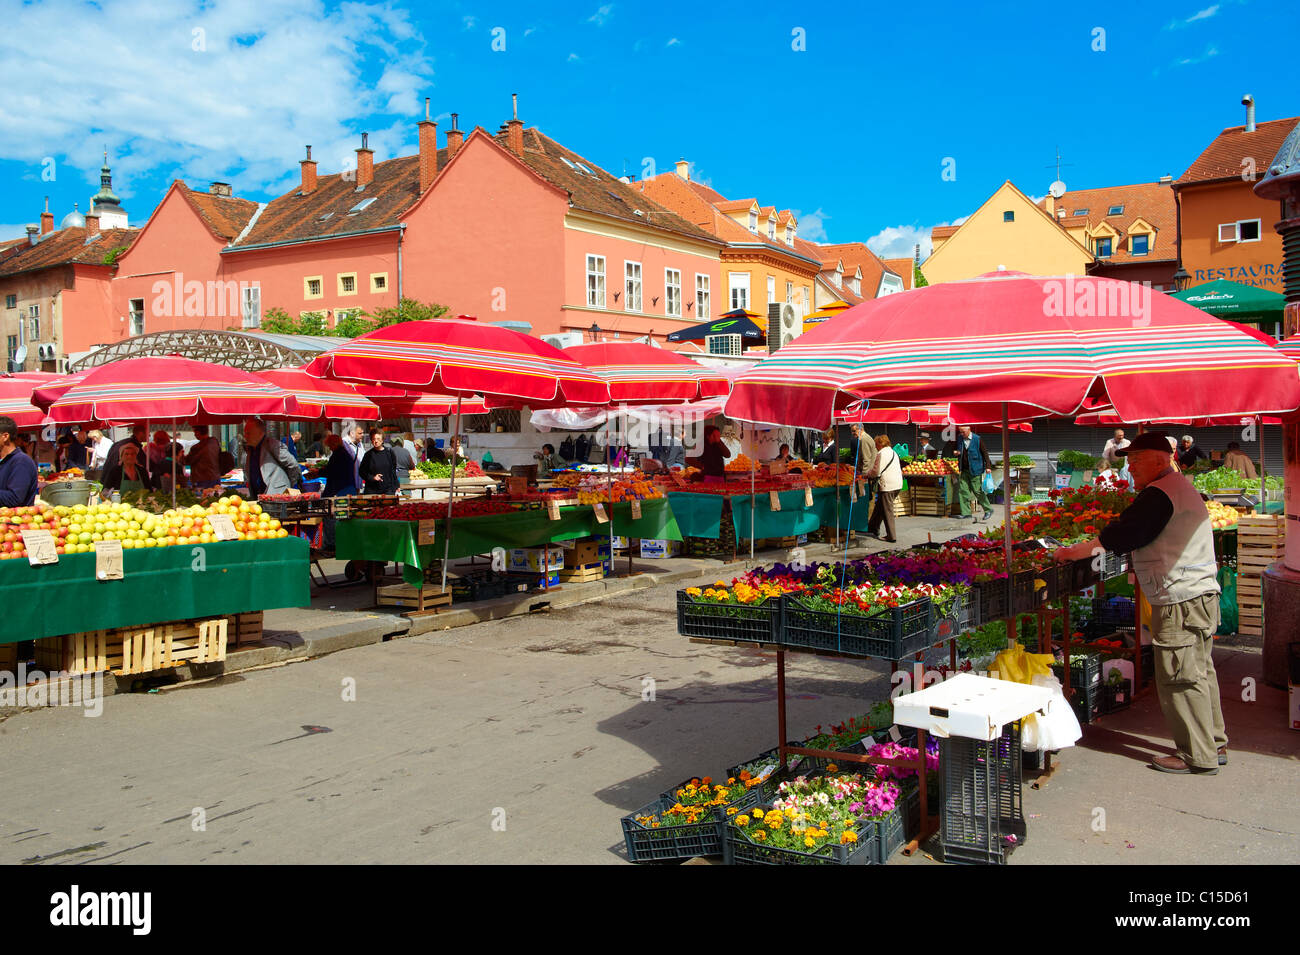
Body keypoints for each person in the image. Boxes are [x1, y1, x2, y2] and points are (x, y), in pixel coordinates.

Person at [1054, 431, 1226, 775]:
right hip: (1198, 594)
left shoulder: (1159, 495)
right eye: (1128, 461)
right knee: (1199, 672)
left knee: (1180, 677)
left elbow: (1120, 536)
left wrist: (1069, 552)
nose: (1130, 468)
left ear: (1162, 461)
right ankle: (1213, 744)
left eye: (1137, 460)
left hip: (1181, 598)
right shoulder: (1178, 487)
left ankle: (1197, 755)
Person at [943, 425, 995, 522]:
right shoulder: (959, 438)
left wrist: (988, 467)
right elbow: (958, 450)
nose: (962, 434)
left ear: (969, 430)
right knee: (963, 491)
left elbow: (985, 453)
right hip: (964, 469)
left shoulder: (977, 439)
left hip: (976, 469)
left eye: (963, 432)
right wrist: (957, 452)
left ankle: (988, 509)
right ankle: (966, 513)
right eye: (960, 432)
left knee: (977, 490)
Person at [244, 417, 302, 497]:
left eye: (248, 433)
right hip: (258, 496)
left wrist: (290, 484)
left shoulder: (272, 444)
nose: (245, 436)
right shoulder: (250, 449)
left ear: (259, 432)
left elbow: (293, 464)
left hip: (276, 495)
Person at [864, 434, 903, 543]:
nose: (876, 447)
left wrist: (866, 474)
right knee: (880, 506)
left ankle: (891, 535)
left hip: (888, 485)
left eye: (876, 444)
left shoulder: (881, 454)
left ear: (880, 444)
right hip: (897, 484)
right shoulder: (893, 452)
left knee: (887, 510)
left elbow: (876, 471)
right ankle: (872, 528)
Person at [0, 416, 38, 507]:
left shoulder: (21, 462)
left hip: (15, 520)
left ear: (5, 437)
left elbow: (15, 498)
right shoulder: (4, 461)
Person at [186, 424, 223, 491]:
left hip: (202, 479)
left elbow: (187, 460)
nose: (194, 434)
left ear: (198, 432)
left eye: (195, 432)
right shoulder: (214, 441)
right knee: (215, 497)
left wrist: (180, 455)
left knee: (204, 498)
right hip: (215, 476)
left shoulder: (197, 447)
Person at [342, 424, 366, 491]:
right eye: (360, 433)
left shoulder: (360, 444)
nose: (362, 435)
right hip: (346, 484)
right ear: (352, 433)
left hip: (357, 483)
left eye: (363, 433)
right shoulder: (343, 443)